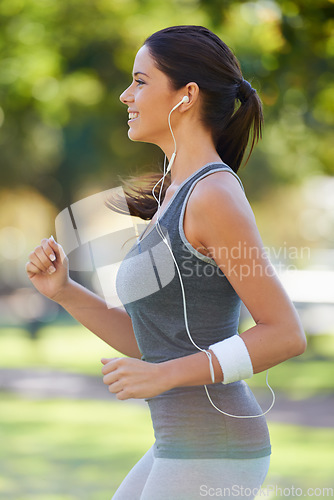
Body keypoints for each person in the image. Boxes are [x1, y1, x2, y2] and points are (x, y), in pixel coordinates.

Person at [26, 25, 306, 500]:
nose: (124, 95)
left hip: (216, 447)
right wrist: (64, 291)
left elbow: (284, 333)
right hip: (180, 442)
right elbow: (152, 342)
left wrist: (163, 376)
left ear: (186, 95)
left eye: (140, 80)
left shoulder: (213, 195)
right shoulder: (172, 195)